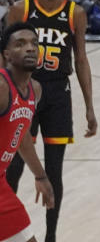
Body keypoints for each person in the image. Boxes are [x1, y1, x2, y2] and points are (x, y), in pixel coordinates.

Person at [4, 0, 98, 242]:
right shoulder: (20, 9)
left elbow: (80, 59)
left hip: (58, 93)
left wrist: (90, 106)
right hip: (24, 89)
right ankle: (7, 225)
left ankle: (51, 236)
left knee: (54, 169)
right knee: (14, 164)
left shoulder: (75, 12)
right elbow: (4, 52)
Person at [0, 23, 56, 242]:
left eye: (34, 43)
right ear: (7, 55)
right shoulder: (2, 87)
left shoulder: (35, 89)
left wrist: (40, 175)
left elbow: (21, 135)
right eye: (20, 44)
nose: (30, 48)